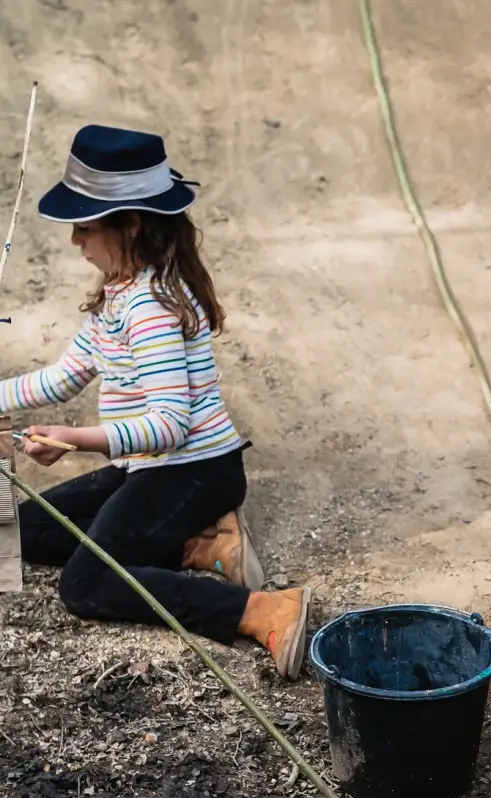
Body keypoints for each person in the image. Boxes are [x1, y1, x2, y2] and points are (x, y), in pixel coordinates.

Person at [0, 124, 311, 679]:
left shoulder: (149, 307)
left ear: (131, 225)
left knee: (86, 582)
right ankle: (201, 542)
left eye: (85, 226)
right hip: (148, 469)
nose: (76, 241)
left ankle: (262, 610)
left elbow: (169, 424)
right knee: (22, 529)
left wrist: (76, 441)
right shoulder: (119, 293)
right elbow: (62, 377)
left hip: (191, 472)